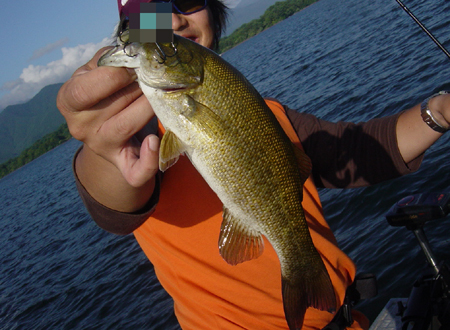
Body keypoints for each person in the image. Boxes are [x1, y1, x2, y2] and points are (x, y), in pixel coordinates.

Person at [56, 0, 450, 329]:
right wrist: (99, 149)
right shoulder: (134, 133)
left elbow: (356, 154)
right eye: (151, 12)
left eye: (188, 0)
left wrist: (439, 111)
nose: (173, 20)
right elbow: (113, 198)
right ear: (132, 31)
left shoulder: (269, 115)